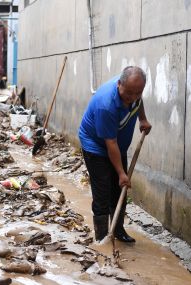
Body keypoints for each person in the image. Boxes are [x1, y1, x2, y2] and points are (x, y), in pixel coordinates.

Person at [78, 66, 152, 243]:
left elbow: (138, 101)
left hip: (117, 145)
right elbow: (109, 144)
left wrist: (142, 118)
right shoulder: (106, 105)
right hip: (96, 146)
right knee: (103, 191)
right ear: (119, 85)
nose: (132, 98)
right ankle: (102, 238)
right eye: (129, 95)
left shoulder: (133, 91)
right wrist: (121, 173)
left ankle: (118, 231)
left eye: (137, 93)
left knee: (120, 190)